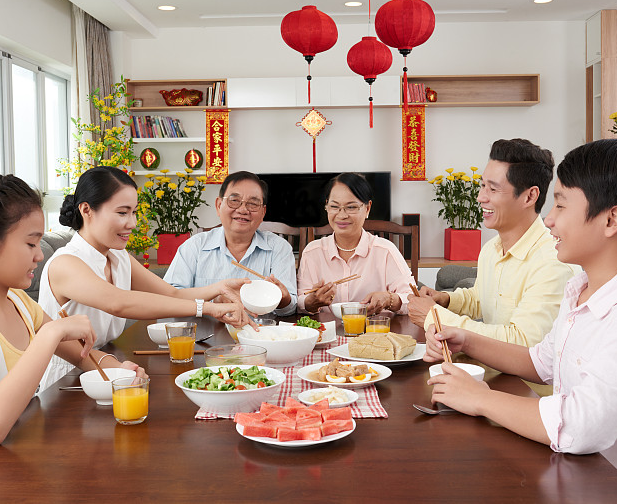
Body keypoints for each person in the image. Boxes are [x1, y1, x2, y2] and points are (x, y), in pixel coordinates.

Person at [425, 139, 617, 502]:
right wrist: (466, 340)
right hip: (585, 476)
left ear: (611, 219)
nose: (549, 219)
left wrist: (481, 399)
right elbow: (541, 360)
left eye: (560, 204)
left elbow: (580, 425)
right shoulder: (582, 288)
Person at [0, 174, 146, 470]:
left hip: (16, 461)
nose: (39, 256)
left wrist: (119, 371)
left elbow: (85, 356)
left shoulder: (19, 303)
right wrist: (51, 334)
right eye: (31, 243)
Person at [38, 166, 253, 389]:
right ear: (86, 210)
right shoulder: (66, 263)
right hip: (66, 380)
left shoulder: (119, 257)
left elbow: (172, 293)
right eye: (122, 213)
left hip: (105, 369)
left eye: (133, 212)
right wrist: (207, 308)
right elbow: (119, 303)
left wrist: (220, 287)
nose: (132, 223)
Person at [409, 138, 578, 356]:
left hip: (526, 388)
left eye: (493, 189)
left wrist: (435, 317)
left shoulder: (553, 262)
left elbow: (524, 343)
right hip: (488, 371)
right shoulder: (491, 249)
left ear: (530, 196)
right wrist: (446, 300)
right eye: (482, 186)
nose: (480, 197)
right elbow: (482, 300)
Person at [164, 171, 297, 315]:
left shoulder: (279, 248)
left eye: (253, 203)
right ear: (218, 205)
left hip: (261, 333)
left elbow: (289, 309)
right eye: (234, 200)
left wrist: (283, 299)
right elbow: (168, 298)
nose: (242, 210)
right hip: (204, 334)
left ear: (263, 212)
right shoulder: (194, 246)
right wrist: (214, 302)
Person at [298, 172, 415, 315]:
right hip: (327, 334)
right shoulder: (313, 252)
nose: (342, 215)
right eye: (334, 206)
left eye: (351, 207)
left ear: (367, 208)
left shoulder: (385, 251)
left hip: (376, 333)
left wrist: (389, 299)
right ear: (326, 206)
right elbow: (300, 301)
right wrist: (310, 302)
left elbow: (412, 299)